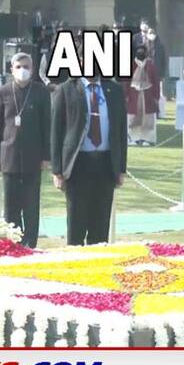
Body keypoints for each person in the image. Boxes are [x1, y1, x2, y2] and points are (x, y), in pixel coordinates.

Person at [51, 50, 128, 246]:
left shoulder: (114, 90)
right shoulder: (66, 90)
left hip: (105, 162)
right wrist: (57, 171)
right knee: (77, 221)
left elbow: (120, 131)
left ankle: (98, 261)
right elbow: (56, 132)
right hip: (78, 163)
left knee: (100, 223)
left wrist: (121, 169)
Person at [0, 53, 51, 248]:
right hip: (9, 156)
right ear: (11, 69)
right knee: (11, 207)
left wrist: (46, 156)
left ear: (32, 69)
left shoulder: (41, 92)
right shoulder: (3, 92)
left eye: (26, 66)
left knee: (31, 205)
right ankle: (12, 244)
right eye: (18, 67)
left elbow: (46, 126)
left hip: (34, 157)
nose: (22, 70)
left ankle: (30, 244)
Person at [124, 45, 160, 146]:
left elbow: (155, 81)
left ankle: (147, 138)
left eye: (142, 51)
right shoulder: (131, 65)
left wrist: (156, 96)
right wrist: (126, 95)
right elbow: (126, 81)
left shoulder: (150, 65)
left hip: (148, 94)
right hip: (133, 94)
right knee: (133, 117)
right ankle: (133, 138)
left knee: (148, 117)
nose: (140, 52)